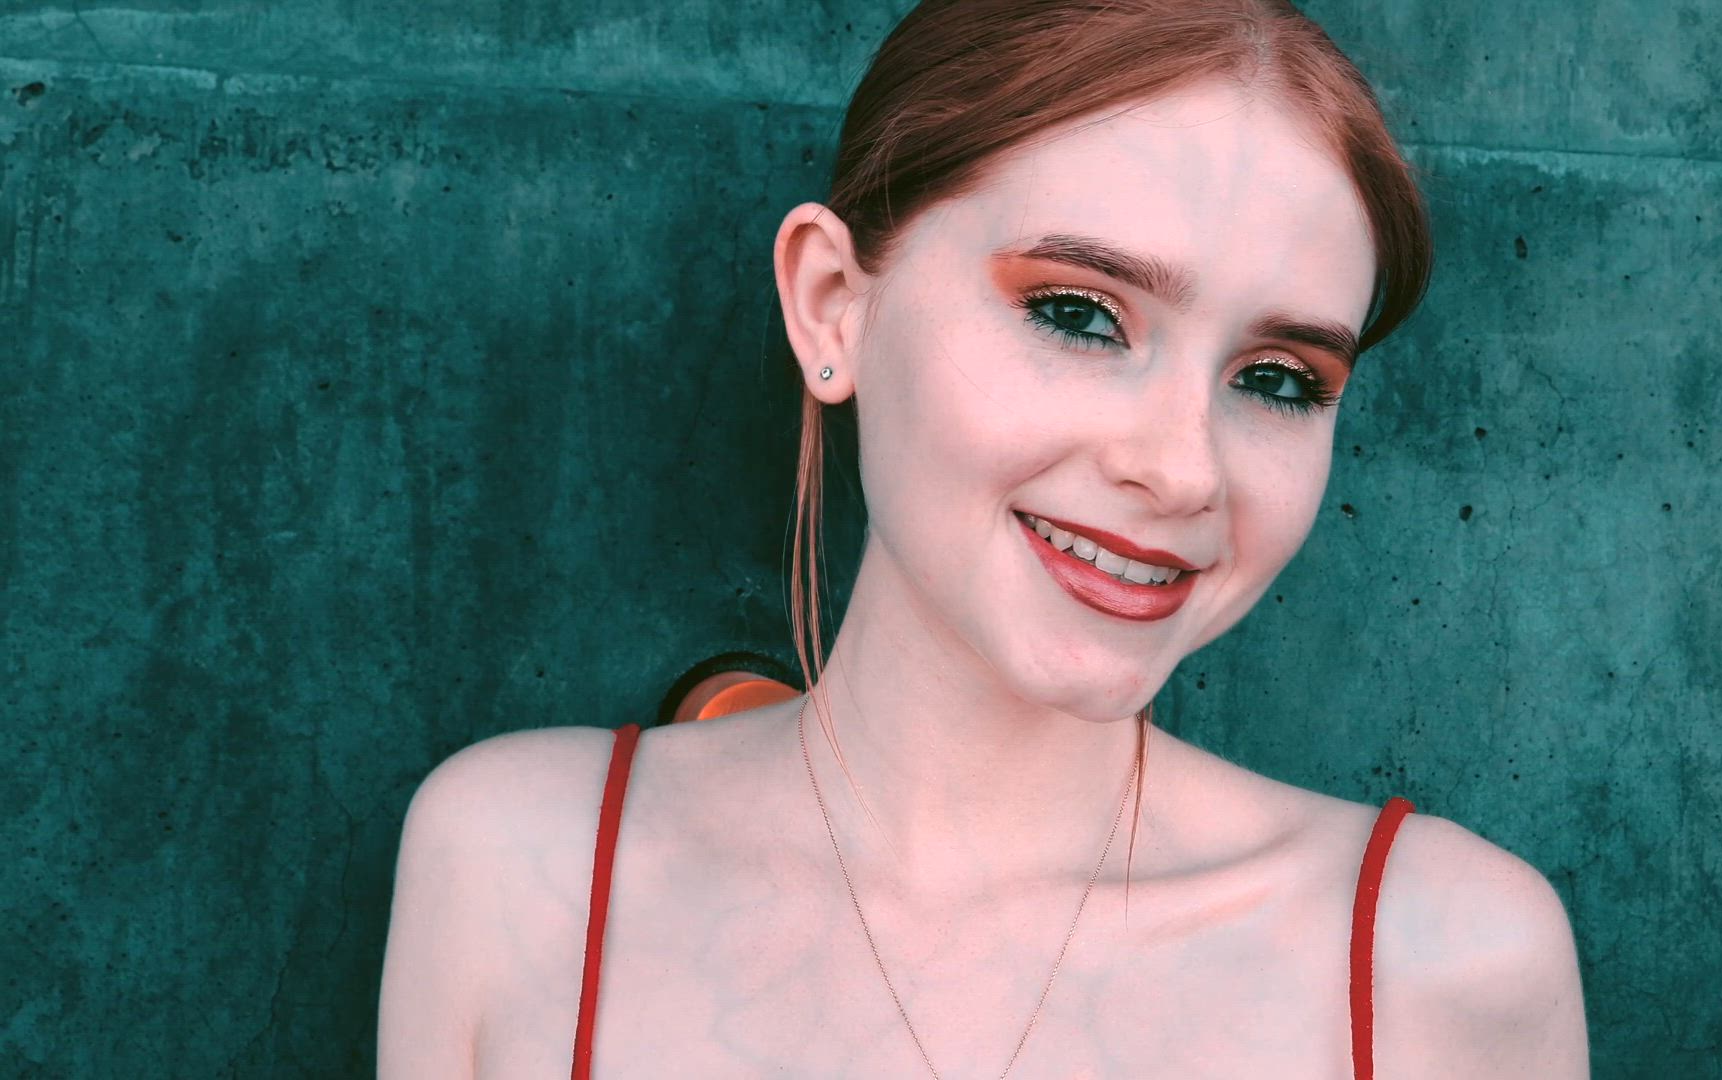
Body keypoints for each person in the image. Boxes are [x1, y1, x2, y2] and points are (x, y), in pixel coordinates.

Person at [378, 1, 1590, 1076]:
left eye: (1278, 379)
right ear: (832, 306)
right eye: (1079, 315)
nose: (1181, 469)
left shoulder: (1443, 964)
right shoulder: (517, 868)